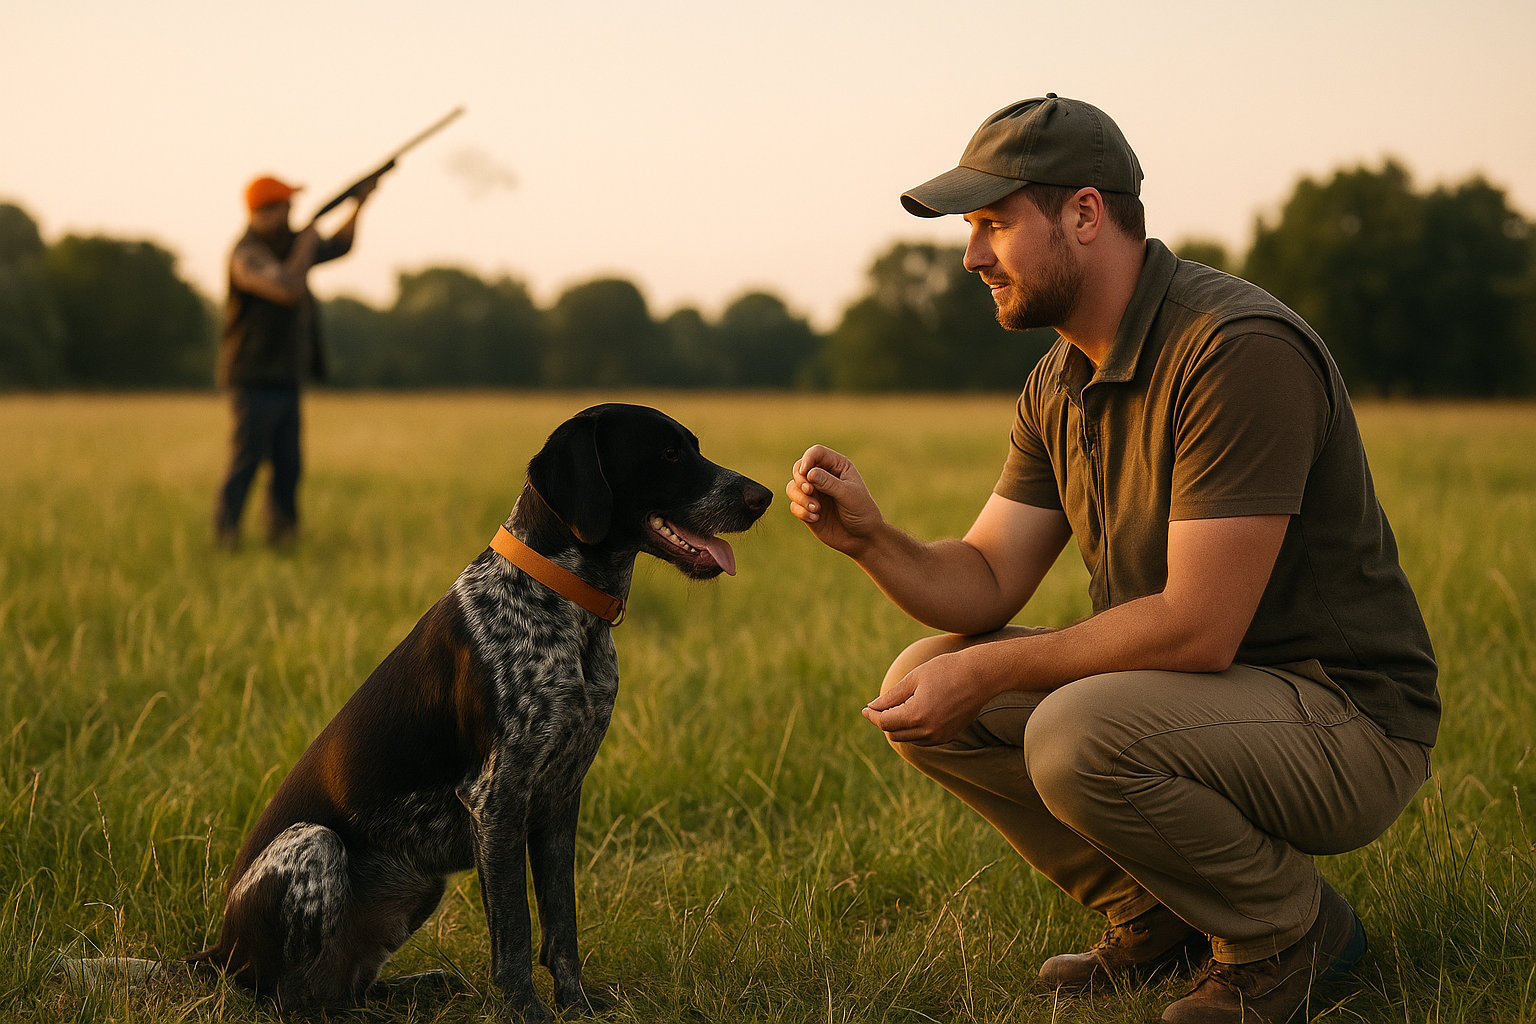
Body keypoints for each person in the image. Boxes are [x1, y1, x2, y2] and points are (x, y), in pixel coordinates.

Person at [788, 95, 1437, 1024]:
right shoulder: (1062, 378)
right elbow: (985, 578)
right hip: (1199, 698)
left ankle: (1283, 939)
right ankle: (1163, 913)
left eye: (994, 225)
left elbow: (1199, 626)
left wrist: (993, 668)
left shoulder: (1233, 351)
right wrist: (871, 539)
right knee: (924, 679)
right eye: (971, 230)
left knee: (1071, 728)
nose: (972, 257)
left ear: (1085, 215)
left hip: (1345, 716)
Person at [213, 173, 376, 550]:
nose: (292, 211)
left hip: (286, 376)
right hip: (252, 377)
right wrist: (306, 242)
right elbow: (286, 288)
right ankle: (225, 540)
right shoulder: (246, 253)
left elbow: (340, 246)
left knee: (289, 466)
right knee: (245, 462)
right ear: (264, 210)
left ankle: (283, 539)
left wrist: (359, 204)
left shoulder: (289, 244)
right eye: (285, 205)